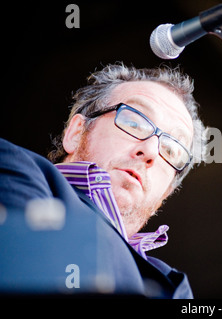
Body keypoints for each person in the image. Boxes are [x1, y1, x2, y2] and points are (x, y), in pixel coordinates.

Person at [0, 63, 207, 298]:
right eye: (133, 123)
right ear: (76, 133)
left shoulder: (175, 285)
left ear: (167, 192)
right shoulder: (15, 166)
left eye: (171, 150)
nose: (150, 150)